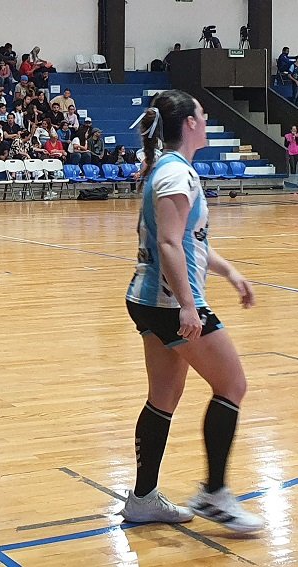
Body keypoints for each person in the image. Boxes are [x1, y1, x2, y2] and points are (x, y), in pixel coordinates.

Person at [120, 90, 264, 533]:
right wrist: (188, 304)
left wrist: (230, 273)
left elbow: (189, 243)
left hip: (148, 300)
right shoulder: (174, 175)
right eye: (202, 115)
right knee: (232, 383)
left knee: (164, 395)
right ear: (188, 125)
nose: (206, 120)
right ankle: (215, 494)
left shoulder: (170, 170)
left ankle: (143, 498)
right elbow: (167, 243)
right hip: (168, 302)